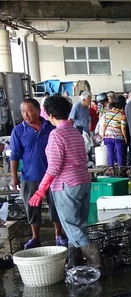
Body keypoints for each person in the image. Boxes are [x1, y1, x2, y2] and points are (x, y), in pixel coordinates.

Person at [28, 96, 101, 269]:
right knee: (77, 225)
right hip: (83, 182)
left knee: (72, 226)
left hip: (66, 185)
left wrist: (40, 190)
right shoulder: (74, 132)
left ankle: (96, 261)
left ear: (50, 114)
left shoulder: (56, 134)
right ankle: (74, 263)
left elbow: (53, 167)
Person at [9, 98, 66, 249]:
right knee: (32, 207)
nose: (25, 114)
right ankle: (35, 237)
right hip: (30, 176)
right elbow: (14, 154)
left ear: (38, 110)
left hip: (53, 176)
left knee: (56, 205)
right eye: (22, 111)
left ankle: (58, 234)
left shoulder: (50, 126)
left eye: (28, 110)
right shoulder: (18, 131)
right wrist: (14, 176)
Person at [100, 98, 128, 176]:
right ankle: (120, 170)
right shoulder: (121, 115)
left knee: (110, 153)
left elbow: (104, 126)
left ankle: (110, 169)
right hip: (118, 136)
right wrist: (125, 137)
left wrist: (103, 136)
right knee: (119, 153)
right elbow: (123, 127)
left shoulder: (107, 114)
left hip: (108, 136)